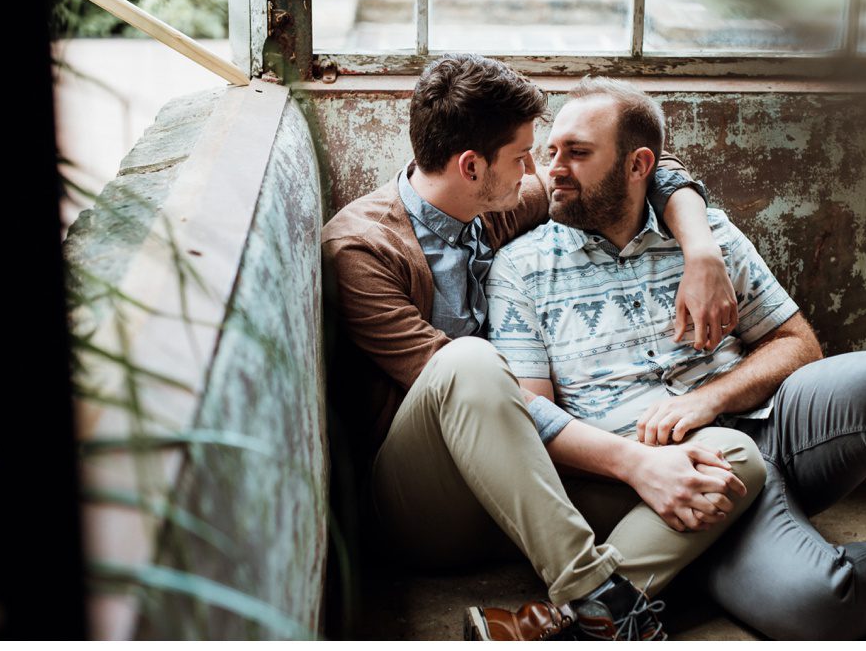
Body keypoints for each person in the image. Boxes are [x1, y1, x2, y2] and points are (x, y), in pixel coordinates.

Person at [484, 75, 866, 642]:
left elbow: (797, 345)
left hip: (772, 427)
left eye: (576, 153)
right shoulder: (522, 267)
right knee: (823, 605)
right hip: (685, 480)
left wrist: (712, 397)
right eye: (549, 151)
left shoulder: (709, 238)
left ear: (639, 165)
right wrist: (640, 463)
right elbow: (534, 416)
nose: (551, 170)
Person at [322, 55, 766, 641]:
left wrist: (702, 250)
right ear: (471, 166)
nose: (539, 171)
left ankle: (567, 624)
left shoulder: (494, 200)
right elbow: (478, 390)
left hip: (528, 484)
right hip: (424, 503)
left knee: (728, 458)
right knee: (470, 361)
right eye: (523, 157)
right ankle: (588, 588)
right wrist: (632, 461)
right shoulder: (360, 251)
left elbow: (656, 169)